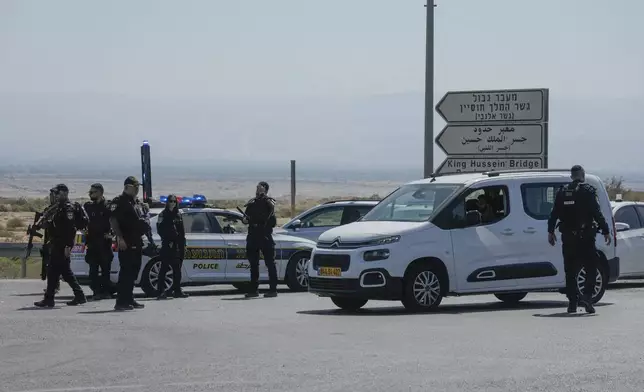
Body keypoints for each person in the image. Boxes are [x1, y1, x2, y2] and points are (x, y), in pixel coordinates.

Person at [547, 165, 611, 314]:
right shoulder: (588, 191)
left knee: (570, 270)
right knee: (590, 268)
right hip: (586, 237)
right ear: (582, 175)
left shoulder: (562, 192)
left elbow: (554, 213)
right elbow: (597, 213)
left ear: (571, 176)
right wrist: (606, 231)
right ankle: (587, 297)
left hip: (568, 238)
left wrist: (550, 232)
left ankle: (572, 303)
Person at [34, 184, 87, 308]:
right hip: (57, 243)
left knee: (61, 271)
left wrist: (68, 246)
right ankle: (52, 298)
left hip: (63, 244)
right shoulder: (58, 208)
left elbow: (70, 229)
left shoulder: (68, 208)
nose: (55, 196)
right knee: (57, 271)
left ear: (64, 194)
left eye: (57, 193)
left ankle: (75, 296)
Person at [108, 176, 149, 311]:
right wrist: (119, 238)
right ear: (127, 187)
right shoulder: (119, 201)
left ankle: (129, 298)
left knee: (134, 270)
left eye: (138, 187)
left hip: (136, 240)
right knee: (126, 271)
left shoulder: (136, 202)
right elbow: (113, 220)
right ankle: (121, 301)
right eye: (135, 187)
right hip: (125, 240)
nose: (137, 189)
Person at [242, 181, 278, 298]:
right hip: (253, 235)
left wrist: (264, 197)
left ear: (265, 190)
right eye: (257, 188)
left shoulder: (269, 202)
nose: (257, 190)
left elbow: (271, 211)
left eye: (260, 188)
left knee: (270, 263)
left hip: (265, 236)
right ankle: (253, 289)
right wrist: (246, 220)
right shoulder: (252, 202)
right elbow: (245, 217)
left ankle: (273, 290)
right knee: (253, 264)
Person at [83, 183, 116, 300]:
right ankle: (96, 292)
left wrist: (112, 234)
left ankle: (106, 292)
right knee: (93, 271)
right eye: (90, 192)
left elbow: (115, 221)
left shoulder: (108, 206)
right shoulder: (88, 207)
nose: (90, 194)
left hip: (104, 244)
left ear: (100, 193)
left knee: (106, 270)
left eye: (93, 192)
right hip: (92, 243)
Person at [156, 194, 188, 299]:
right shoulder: (163, 214)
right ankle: (160, 292)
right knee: (164, 269)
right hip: (167, 245)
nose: (173, 203)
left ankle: (177, 290)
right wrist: (167, 239)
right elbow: (160, 229)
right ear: (167, 202)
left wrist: (183, 243)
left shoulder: (178, 214)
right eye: (171, 201)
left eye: (174, 201)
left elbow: (181, 231)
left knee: (177, 269)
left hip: (177, 245)